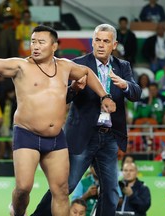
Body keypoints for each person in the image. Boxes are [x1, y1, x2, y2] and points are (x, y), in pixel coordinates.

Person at [0, 24, 116, 216]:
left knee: (61, 191)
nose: (35, 46)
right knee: (23, 188)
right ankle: (17, 212)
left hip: (55, 139)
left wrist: (105, 96)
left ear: (54, 46)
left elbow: (87, 72)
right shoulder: (21, 66)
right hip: (27, 135)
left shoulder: (64, 66)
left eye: (41, 42)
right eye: (33, 42)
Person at [31, 24, 141, 216]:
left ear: (114, 45)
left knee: (112, 192)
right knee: (66, 186)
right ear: (92, 41)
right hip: (82, 136)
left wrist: (125, 85)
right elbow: (61, 97)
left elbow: (136, 93)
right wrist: (74, 88)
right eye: (97, 40)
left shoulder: (123, 67)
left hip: (109, 137)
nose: (100, 45)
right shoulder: (76, 64)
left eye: (106, 41)